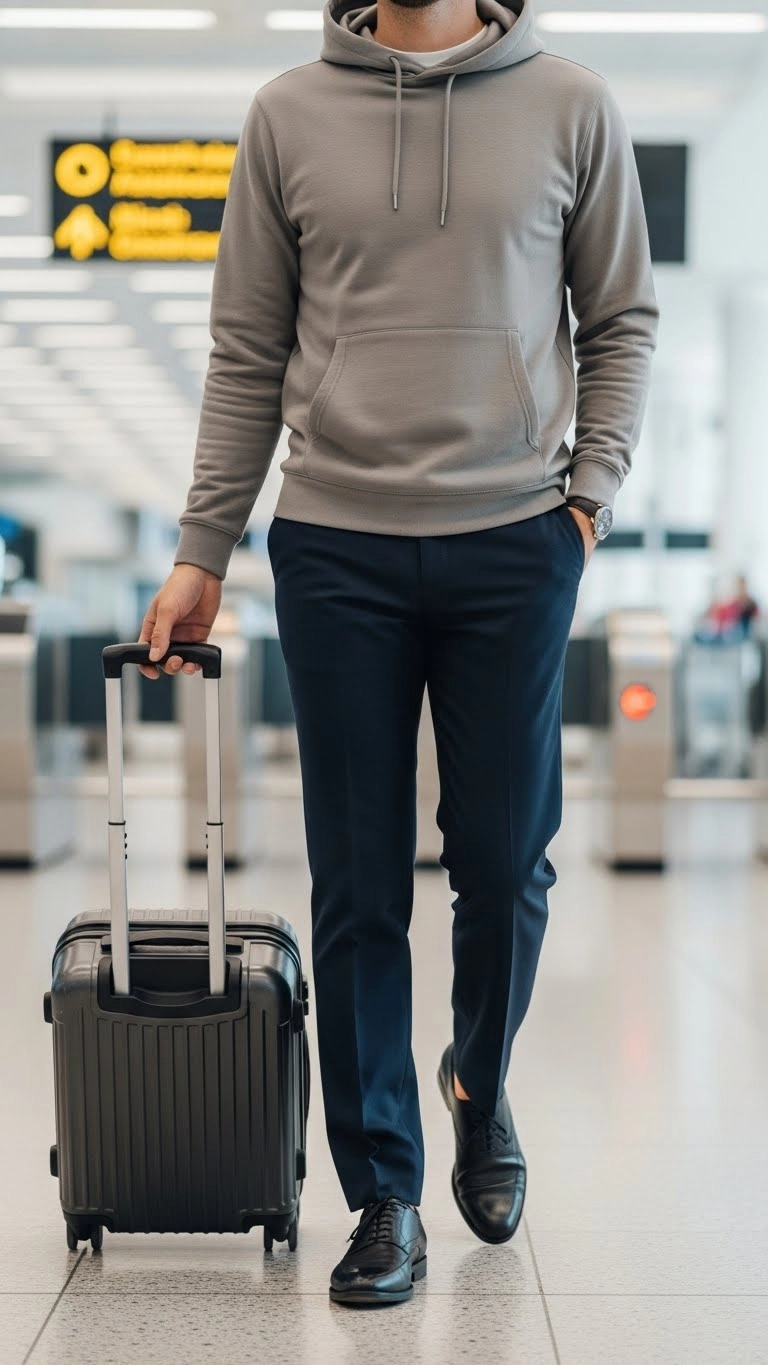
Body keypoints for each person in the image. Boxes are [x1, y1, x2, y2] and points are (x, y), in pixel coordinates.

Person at [138, 0, 658, 1309]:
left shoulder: (572, 104)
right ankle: (385, 1193)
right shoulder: (287, 115)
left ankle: (479, 1084)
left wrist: (584, 503)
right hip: (337, 544)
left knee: (503, 858)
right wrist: (205, 545)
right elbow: (247, 350)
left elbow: (622, 322)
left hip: (514, 539)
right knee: (359, 882)